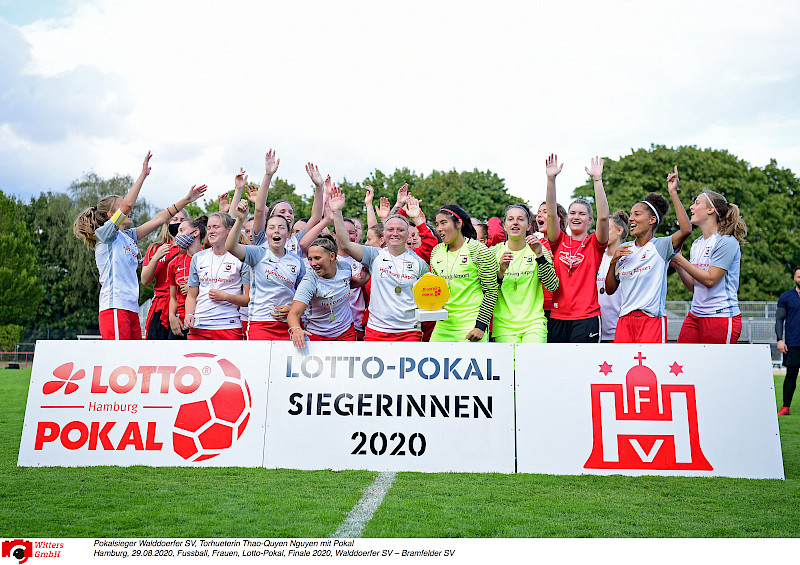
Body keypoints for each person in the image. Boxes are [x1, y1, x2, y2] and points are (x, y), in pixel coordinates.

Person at [72, 152, 207, 340]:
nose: (130, 208)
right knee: (120, 362)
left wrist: (186, 199)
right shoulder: (105, 235)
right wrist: (143, 175)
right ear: (113, 214)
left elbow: (160, 219)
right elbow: (127, 206)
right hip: (114, 307)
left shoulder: (127, 236)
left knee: (133, 362)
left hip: (131, 307)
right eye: (122, 207)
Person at [329, 186, 430, 341]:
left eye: (400, 230)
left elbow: (427, 294)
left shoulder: (418, 262)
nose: (395, 233)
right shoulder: (374, 255)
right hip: (376, 332)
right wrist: (337, 213)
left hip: (409, 332)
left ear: (408, 234)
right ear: (384, 234)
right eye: (390, 229)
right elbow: (346, 245)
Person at [605, 167, 692, 343]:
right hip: (624, 321)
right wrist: (613, 263)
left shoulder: (661, 246)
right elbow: (610, 289)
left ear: (652, 220)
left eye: (637, 214)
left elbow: (686, 229)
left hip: (651, 320)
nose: (631, 219)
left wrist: (673, 192)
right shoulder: (625, 248)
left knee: (651, 368)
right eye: (630, 215)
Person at [226, 171, 305, 340]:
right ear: (266, 233)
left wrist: (293, 308)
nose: (276, 230)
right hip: (260, 324)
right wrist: (240, 220)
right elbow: (230, 246)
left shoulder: (297, 262)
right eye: (271, 227)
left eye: (281, 227)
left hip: (288, 325)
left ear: (288, 233)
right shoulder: (258, 253)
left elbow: (305, 293)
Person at [546, 155, 610, 342]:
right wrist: (551, 179)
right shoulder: (558, 241)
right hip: (558, 317)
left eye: (582, 214)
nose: (576, 216)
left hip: (587, 318)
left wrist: (597, 180)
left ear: (590, 220)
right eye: (572, 213)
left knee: (583, 369)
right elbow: (551, 215)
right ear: (566, 218)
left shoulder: (595, 243)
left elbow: (604, 218)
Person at [671, 190, 747, 344]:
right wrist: (677, 264)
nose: (691, 207)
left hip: (721, 316)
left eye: (697, 203)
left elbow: (711, 280)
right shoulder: (697, 243)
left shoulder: (726, 241)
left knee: (716, 368)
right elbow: (693, 285)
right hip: (695, 315)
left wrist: (679, 258)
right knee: (681, 362)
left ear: (710, 210)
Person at [429, 204, 499, 342]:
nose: (439, 229)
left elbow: (491, 291)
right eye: (437, 224)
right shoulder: (436, 251)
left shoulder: (479, 250)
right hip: (443, 325)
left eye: (444, 222)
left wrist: (480, 326)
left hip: (471, 325)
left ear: (459, 223)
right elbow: (436, 290)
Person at [493, 204, 559, 343]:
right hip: (504, 326)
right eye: (511, 219)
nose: (515, 222)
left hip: (533, 324)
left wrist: (540, 255)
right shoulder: (494, 252)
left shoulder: (539, 249)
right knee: (510, 365)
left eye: (520, 219)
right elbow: (488, 291)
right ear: (505, 225)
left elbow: (553, 285)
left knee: (532, 364)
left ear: (529, 226)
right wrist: (501, 272)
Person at [287, 235, 368, 347]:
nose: (312, 263)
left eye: (317, 258)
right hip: (317, 335)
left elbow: (346, 284)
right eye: (310, 259)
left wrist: (361, 281)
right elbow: (293, 313)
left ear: (332, 256)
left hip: (345, 332)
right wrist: (296, 330)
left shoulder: (345, 268)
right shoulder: (309, 282)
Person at [184, 211, 250, 340]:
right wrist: (189, 315)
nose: (211, 231)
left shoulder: (241, 258)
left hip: (228, 326)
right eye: (209, 228)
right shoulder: (198, 258)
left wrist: (225, 297)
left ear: (229, 231)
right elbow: (191, 295)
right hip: (199, 327)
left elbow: (248, 299)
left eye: (216, 227)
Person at [141, 208, 187, 339]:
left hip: (181, 305)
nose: (178, 223)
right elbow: (145, 280)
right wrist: (156, 257)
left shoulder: (190, 248)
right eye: (175, 220)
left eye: (182, 221)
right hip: (160, 306)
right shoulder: (155, 247)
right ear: (167, 223)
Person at [167, 216, 207, 340]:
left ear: (195, 233)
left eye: (182, 230)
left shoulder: (209, 257)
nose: (178, 235)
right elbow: (173, 297)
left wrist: (194, 289)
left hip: (204, 321)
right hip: (180, 323)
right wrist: (171, 317)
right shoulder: (175, 262)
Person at [596, 211, 629, 342]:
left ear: (619, 230)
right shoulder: (597, 257)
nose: (603, 233)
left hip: (620, 330)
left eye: (607, 229)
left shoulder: (629, 258)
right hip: (597, 330)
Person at [776, 267, 800, 416]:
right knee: (790, 375)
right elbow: (779, 319)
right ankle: (786, 407)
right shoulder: (786, 297)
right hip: (793, 343)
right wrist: (779, 339)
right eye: (799, 276)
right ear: (794, 278)